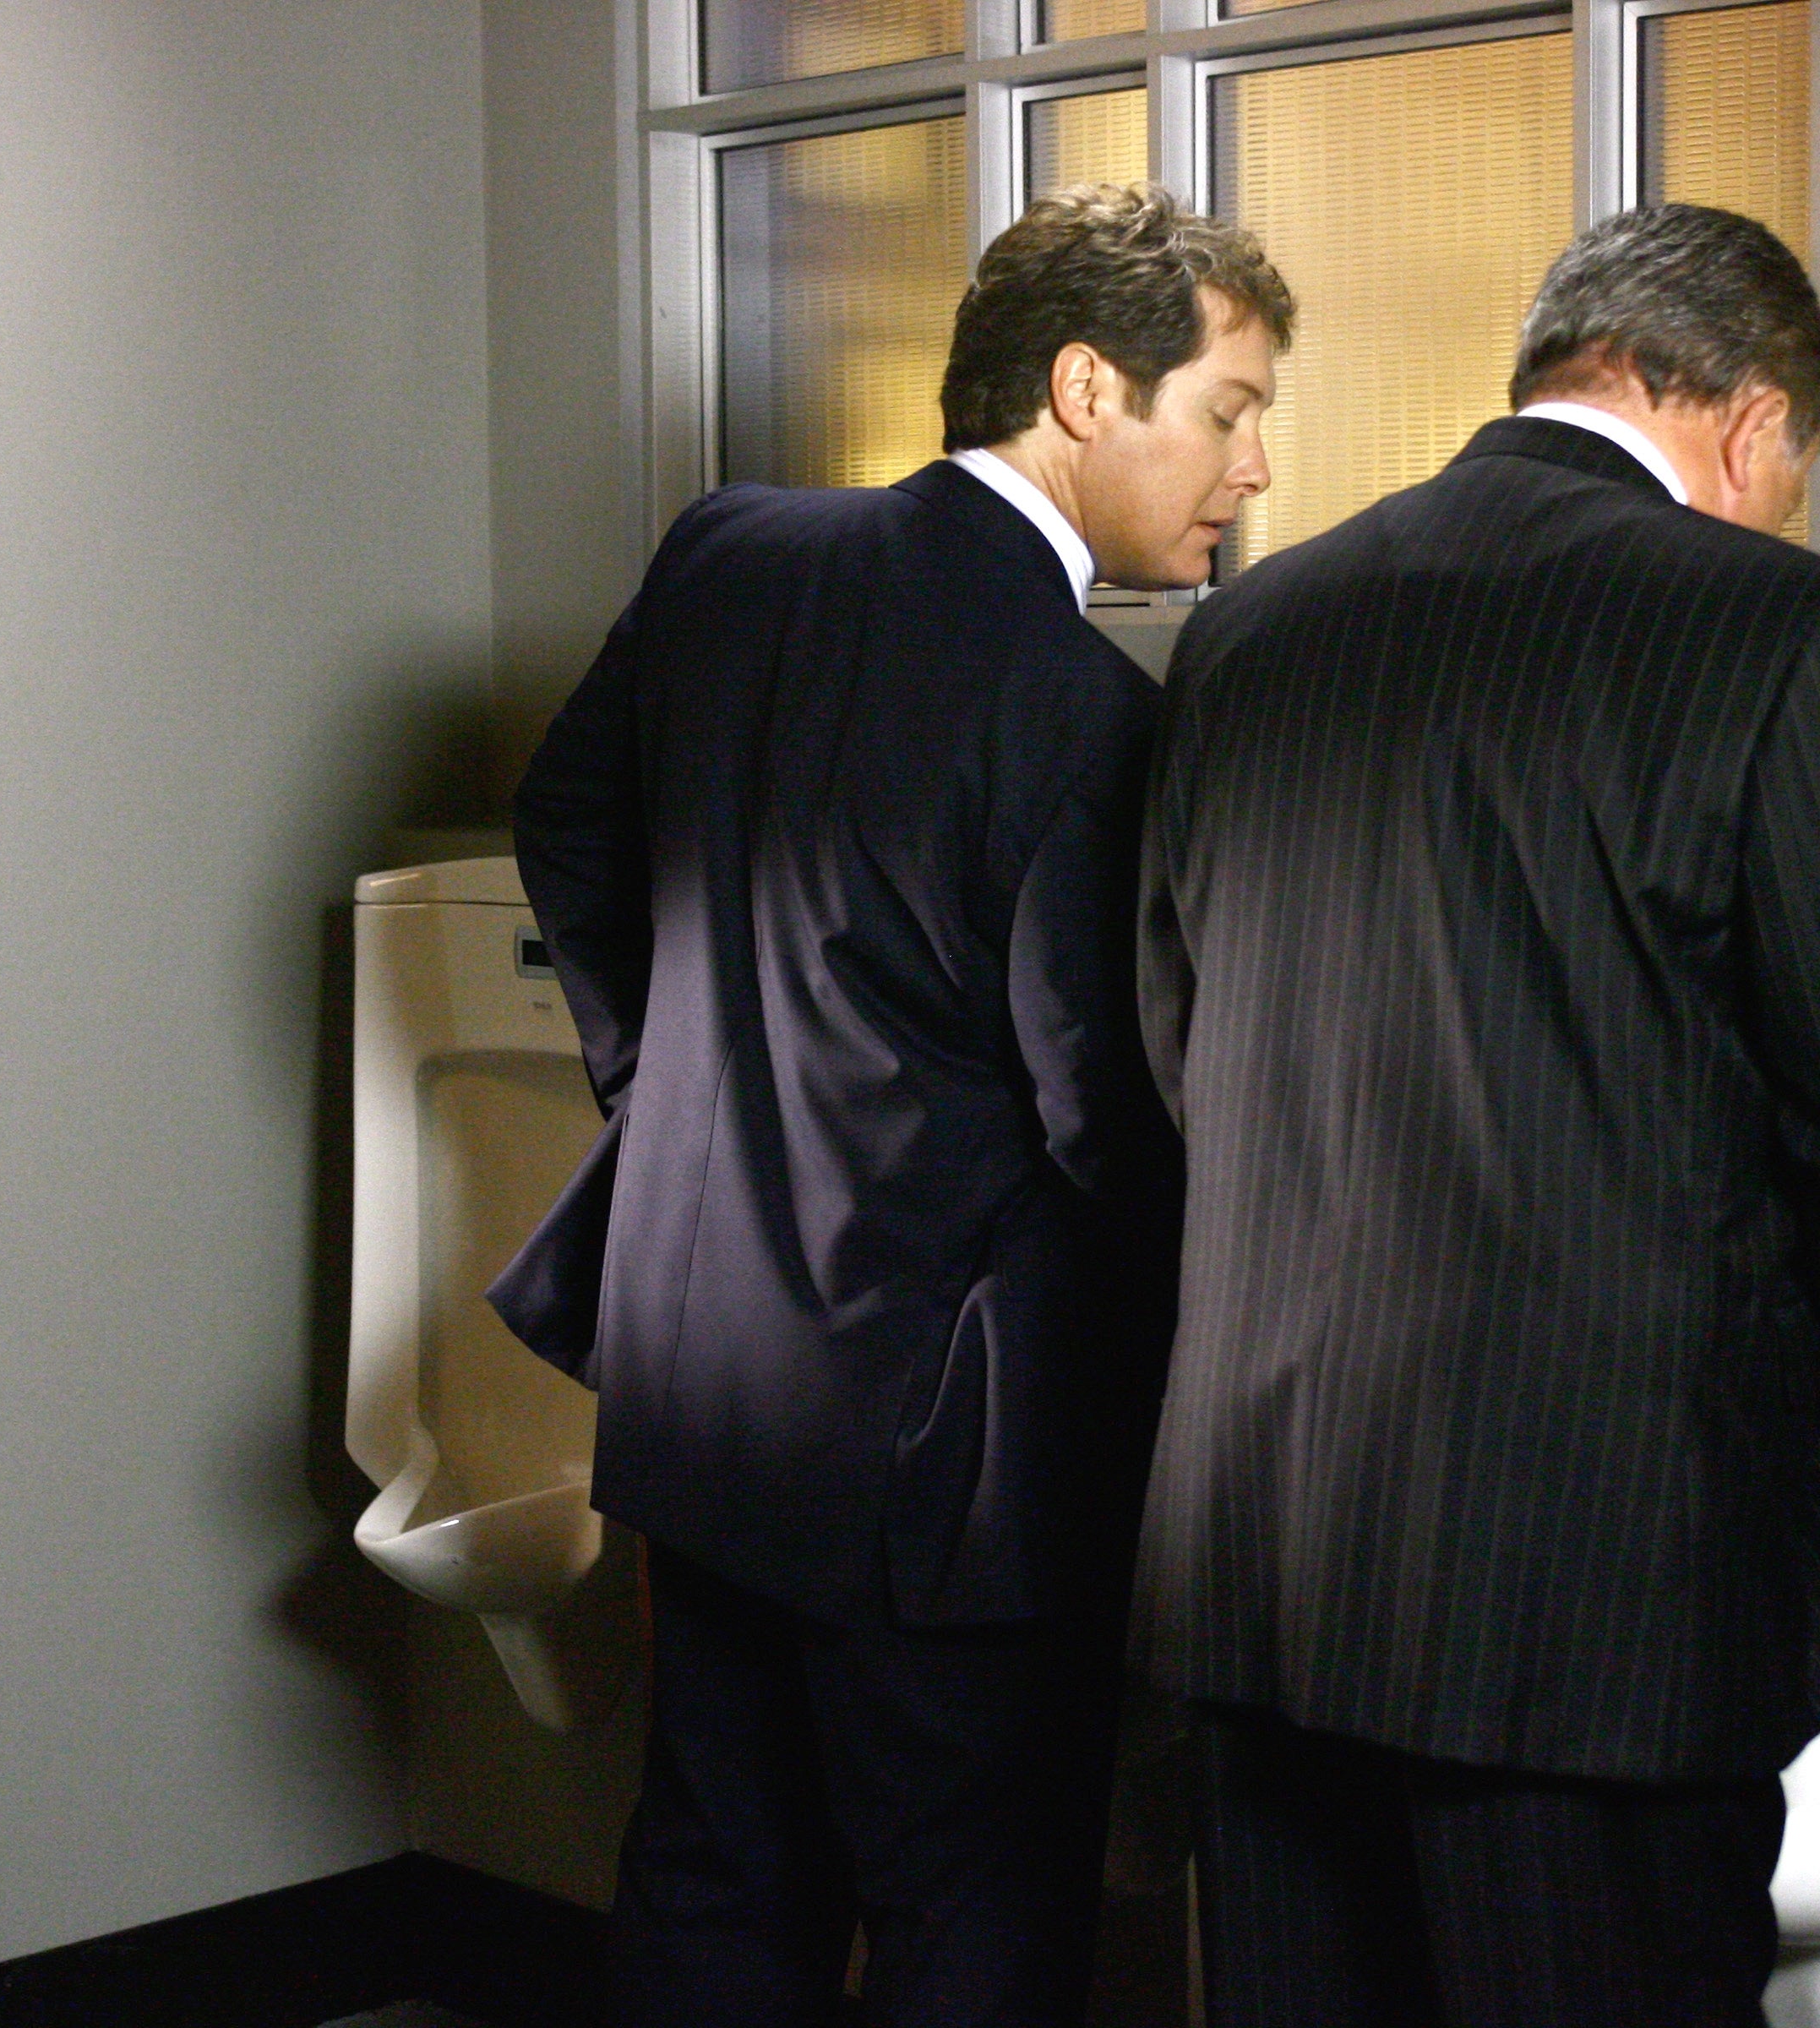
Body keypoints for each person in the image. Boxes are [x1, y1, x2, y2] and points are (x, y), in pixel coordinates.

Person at [1134, 202, 1820, 2027]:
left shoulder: (1253, 632)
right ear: (1754, 423)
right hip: (1597, 1598)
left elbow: (1178, 1045)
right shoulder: (1797, 631)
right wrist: (1768, 1385)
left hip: (1266, 1560)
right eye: (1790, 482)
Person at [490, 183, 1292, 2028]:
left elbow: (568, 823)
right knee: (971, 1925)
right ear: (1087, 389)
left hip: (699, 1363)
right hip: (956, 1454)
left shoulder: (731, 555)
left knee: (714, 1877)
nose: (1249, 469)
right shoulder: (1086, 717)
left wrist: (671, 1092)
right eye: (1231, 408)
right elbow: (1105, 1127)